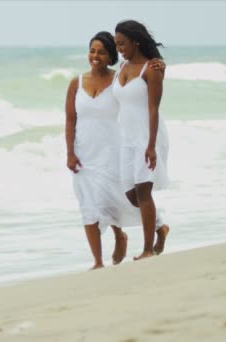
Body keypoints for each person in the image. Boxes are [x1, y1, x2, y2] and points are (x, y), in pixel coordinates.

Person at [65, 31, 168, 269]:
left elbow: (140, 86)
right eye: (92, 50)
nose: (95, 56)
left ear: (112, 55)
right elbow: (70, 119)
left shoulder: (119, 78)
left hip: (115, 148)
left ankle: (155, 227)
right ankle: (98, 262)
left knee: (124, 198)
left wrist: (160, 65)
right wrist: (70, 151)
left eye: (102, 51)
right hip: (84, 152)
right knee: (89, 202)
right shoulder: (76, 82)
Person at [113, 20, 170, 260]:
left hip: (148, 136)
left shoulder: (152, 68)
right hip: (126, 138)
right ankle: (160, 227)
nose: (119, 49)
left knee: (143, 191)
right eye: (116, 44)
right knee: (130, 193)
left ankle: (147, 249)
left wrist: (151, 145)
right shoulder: (123, 66)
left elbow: (154, 109)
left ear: (136, 41)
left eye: (122, 44)